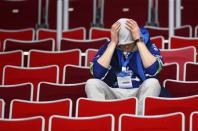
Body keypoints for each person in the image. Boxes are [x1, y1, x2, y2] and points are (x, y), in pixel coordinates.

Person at [85, 18, 163, 115]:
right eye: (122, 44)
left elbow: (153, 70)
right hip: (114, 91)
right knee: (91, 83)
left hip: (139, 91)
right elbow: (98, 73)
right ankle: (103, 122)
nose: (126, 47)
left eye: (129, 43)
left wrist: (139, 41)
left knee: (153, 83)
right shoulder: (108, 47)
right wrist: (113, 43)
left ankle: (138, 122)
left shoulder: (148, 46)